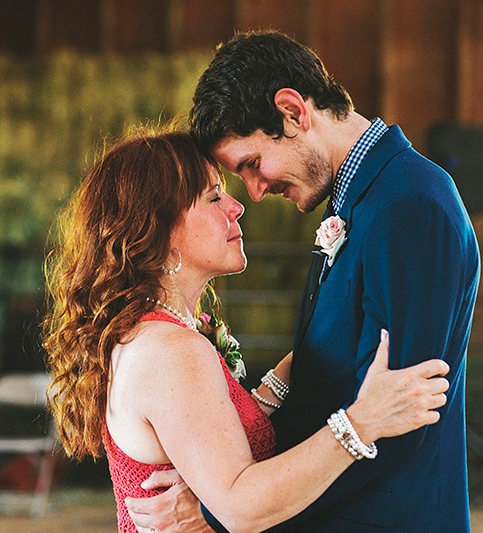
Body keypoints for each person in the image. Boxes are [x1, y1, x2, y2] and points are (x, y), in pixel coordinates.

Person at [127, 30, 481, 532]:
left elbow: (399, 422)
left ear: (293, 112)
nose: (252, 192)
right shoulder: (359, 202)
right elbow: (329, 384)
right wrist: (227, 483)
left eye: (251, 164)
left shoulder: (409, 205)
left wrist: (224, 510)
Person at [43, 126, 450, 532]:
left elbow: (214, 440)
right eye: (214, 197)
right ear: (160, 233)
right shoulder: (170, 351)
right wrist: (364, 422)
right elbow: (240, 506)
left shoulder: (160, 335)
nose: (236, 207)